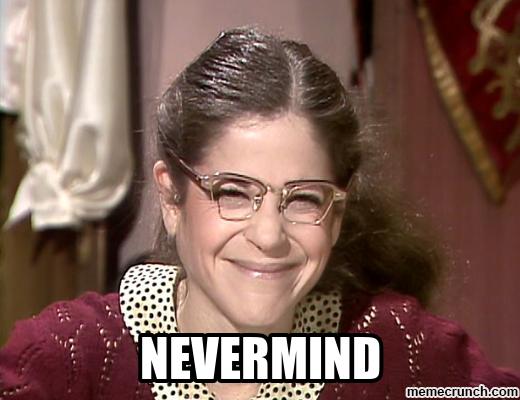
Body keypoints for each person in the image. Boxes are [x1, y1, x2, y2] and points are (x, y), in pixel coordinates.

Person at [1, 27, 518, 400]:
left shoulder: (400, 353)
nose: (269, 235)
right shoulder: (70, 361)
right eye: (232, 192)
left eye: (304, 199)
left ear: (337, 213)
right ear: (171, 198)